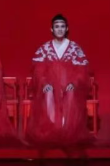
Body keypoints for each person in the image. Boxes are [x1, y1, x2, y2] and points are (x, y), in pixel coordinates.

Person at [25, 14, 94, 147]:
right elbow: (39, 71)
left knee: (71, 93)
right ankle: (54, 128)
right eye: (57, 27)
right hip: (51, 86)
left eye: (62, 26)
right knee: (48, 93)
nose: (60, 29)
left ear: (66, 29)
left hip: (70, 86)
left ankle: (66, 129)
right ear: (52, 29)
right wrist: (45, 84)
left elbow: (81, 71)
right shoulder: (45, 48)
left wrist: (74, 83)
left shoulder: (74, 48)